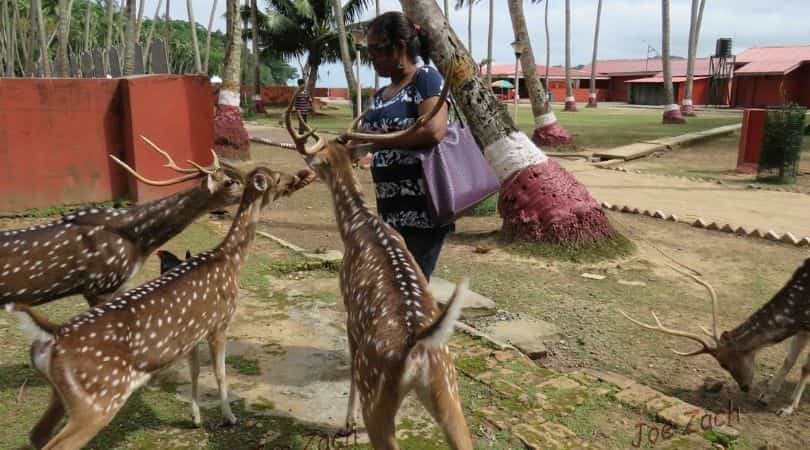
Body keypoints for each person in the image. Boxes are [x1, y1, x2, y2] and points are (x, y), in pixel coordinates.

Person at [357, 11, 451, 280]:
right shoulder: (380, 95)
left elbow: (434, 131)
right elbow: (364, 141)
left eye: (377, 49)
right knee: (393, 290)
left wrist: (377, 140)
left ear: (399, 46)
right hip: (391, 210)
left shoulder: (426, 79)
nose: (371, 57)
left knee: (410, 289)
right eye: (369, 50)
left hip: (423, 211)